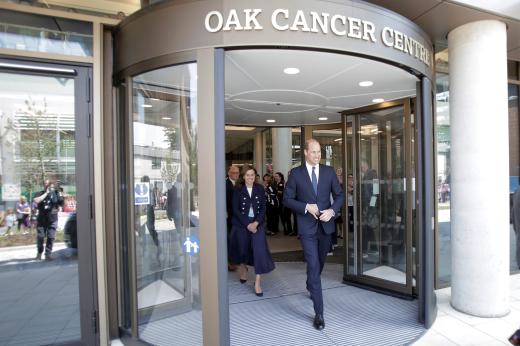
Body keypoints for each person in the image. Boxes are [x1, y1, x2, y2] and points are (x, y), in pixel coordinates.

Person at [283, 138, 344, 330]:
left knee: (320, 263)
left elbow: (340, 195)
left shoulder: (329, 172)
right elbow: (287, 199)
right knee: (313, 263)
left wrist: (332, 210)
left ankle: (310, 282)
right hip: (307, 228)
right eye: (314, 152)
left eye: (319, 152)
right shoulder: (296, 174)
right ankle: (319, 313)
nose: (317, 155)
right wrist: (305, 207)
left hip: (326, 227)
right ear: (305, 152)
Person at [230, 165, 275, 297]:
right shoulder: (237, 189)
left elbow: (263, 208)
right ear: (243, 176)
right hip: (241, 224)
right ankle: (243, 268)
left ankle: (257, 282)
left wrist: (255, 223)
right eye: (247, 175)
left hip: (257, 224)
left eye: (252, 175)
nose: (250, 177)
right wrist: (247, 224)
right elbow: (235, 210)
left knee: (259, 252)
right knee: (243, 249)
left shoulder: (260, 189)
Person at [33, 179, 64, 260]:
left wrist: (60, 191)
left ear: (52, 185)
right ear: (44, 185)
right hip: (41, 220)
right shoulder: (40, 193)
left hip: (52, 219)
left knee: (51, 237)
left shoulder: (56, 194)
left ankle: (48, 254)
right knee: (40, 237)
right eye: (46, 184)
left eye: (49, 184)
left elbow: (61, 203)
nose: (47, 185)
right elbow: (36, 200)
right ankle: (39, 252)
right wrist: (46, 193)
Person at [226, 164, 240, 271]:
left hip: (238, 217)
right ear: (229, 173)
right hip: (229, 217)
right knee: (230, 239)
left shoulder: (239, 184)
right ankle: (231, 262)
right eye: (234, 173)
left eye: (237, 173)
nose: (236, 174)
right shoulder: (225, 184)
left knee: (237, 239)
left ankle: (235, 260)